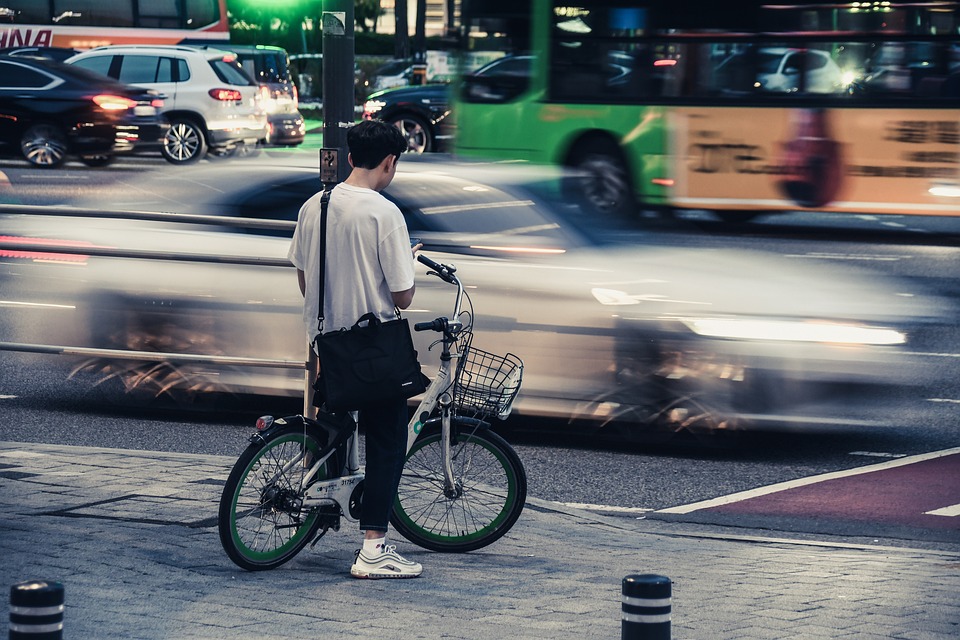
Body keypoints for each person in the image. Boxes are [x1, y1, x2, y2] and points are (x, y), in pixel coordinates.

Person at [288, 120, 423, 579]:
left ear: (349, 158)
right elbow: (403, 296)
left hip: (326, 344)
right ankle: (373, 549)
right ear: (390, 162)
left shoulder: (315, 205)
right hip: (372, 350)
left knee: (333, 427)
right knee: (388, 441)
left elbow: (304, 279)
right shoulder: (385, 214)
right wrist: (408, 260)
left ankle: (314, 505)